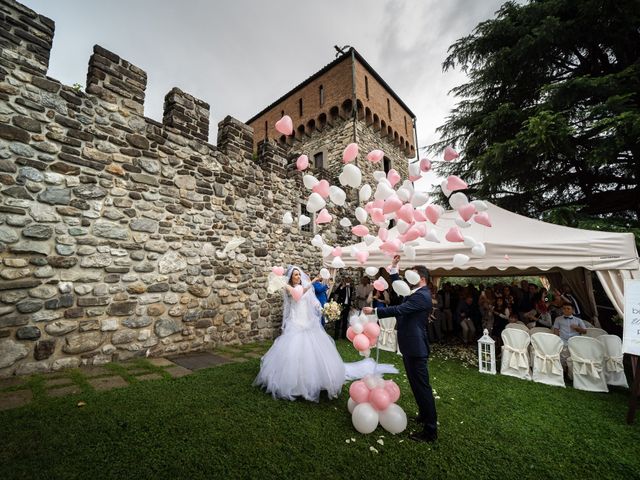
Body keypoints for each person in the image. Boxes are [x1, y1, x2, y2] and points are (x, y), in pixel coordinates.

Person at [363, 255, 438, 443]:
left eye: (412, 273)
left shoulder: (423, 296)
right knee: (415, 384)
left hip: (416, 347)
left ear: (421, 278)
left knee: (422, 387)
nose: (409, 276)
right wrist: (395, 269)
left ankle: (430, 430)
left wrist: (375, 311)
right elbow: (400, 289)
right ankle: (423, 414)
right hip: (409, 346)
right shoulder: (415, 293)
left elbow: (399, 309)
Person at [254, 266, 345, 401]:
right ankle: (293, 384)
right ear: (291, 277)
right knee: (293, 352)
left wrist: (324, 309)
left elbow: (313, 302)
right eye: (295, 275)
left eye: (298, 274)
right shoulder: (288, 287)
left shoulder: (306, 287)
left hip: (309, 322)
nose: (297, 276)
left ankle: (316, 380)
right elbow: (298, 295)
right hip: (295, 323)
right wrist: (313, 280)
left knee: (314, 351)